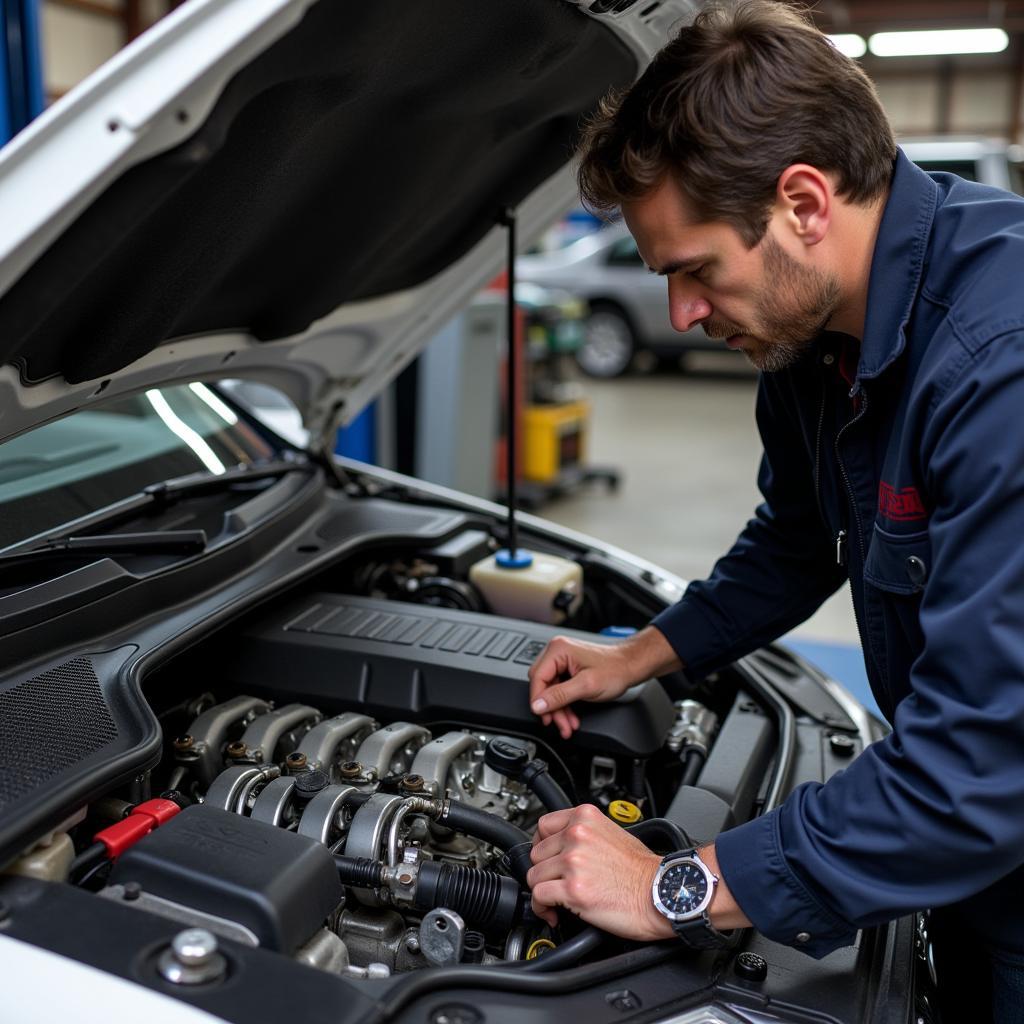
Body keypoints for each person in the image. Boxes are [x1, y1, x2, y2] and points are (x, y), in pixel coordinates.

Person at [525, 2, 1024, 1020]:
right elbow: (799, 540)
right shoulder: (814, 338)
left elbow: (980, 769)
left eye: (695, 269)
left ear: (802, 202)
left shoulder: (999, 368)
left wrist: (676, 888)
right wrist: (645, 652)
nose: (682, 314)